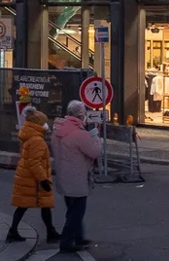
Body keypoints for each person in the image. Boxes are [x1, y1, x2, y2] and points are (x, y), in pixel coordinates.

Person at [52, 100, 101, 254]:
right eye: (84, 114)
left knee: (72, 209)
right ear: (80, 115)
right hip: (77, 177)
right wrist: (96, 138)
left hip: (63, 175)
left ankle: (79, 237)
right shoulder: (79, 134)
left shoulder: (58, 130)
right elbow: (95, 152)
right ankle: (66, 242)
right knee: (76, 212)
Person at [7, 109, 60, 245]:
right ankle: (50, 233)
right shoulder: (37, 140)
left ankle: (14, 231)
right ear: (38, 124)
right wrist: (43, 179)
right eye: (44, 122)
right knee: (43, 205)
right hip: (34, 180)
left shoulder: (28, 136)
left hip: (26, 177)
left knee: (24, 205)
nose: (46, 124)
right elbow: (35, 163)